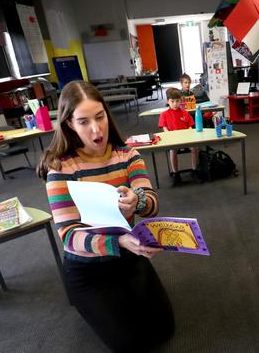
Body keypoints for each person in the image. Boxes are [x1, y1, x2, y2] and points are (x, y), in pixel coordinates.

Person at [37, 80, 174, 353]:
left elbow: (152, 203)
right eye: (84, 121)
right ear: (69, 125)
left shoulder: (128, 155)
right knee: (130, 344)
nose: (96, 129)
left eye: (100, 117)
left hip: (128, 257)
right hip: (88, 268)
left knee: (164, 329)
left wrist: (137, 202)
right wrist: (120, 242)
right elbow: (69, 236)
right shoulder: (61, 168)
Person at [159, 87, 199, 185]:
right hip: (174, 140)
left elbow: (190, 126)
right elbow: (164, 128)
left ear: (180, 101)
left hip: (186, 139)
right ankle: (176, 173)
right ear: (168, 101)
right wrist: (169, 135)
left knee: (195, 148)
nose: (175, 104)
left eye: (177, 101)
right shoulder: (164, 114)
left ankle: (194, 170)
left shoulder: (184, 113)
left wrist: (189, 134)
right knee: (173, 150)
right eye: (172, 101)